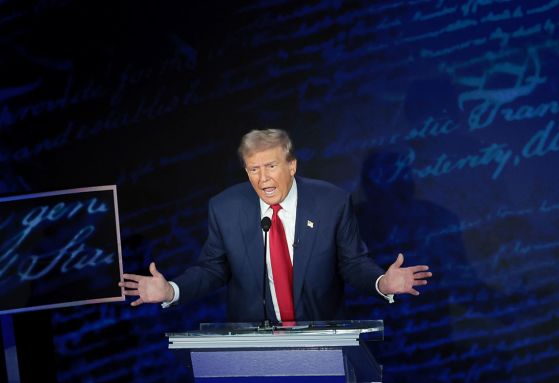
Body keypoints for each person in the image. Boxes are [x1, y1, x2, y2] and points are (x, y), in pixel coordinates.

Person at [120, 128, 431, 322]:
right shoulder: (226, 208)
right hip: (252, 345)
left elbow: (352, 264)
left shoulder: (331, 202)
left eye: (271, 166)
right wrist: (171, 290)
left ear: (291, 165)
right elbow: (212, 269)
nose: (263, 178)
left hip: (321, 340)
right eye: (253, 169)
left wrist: (382, 283)